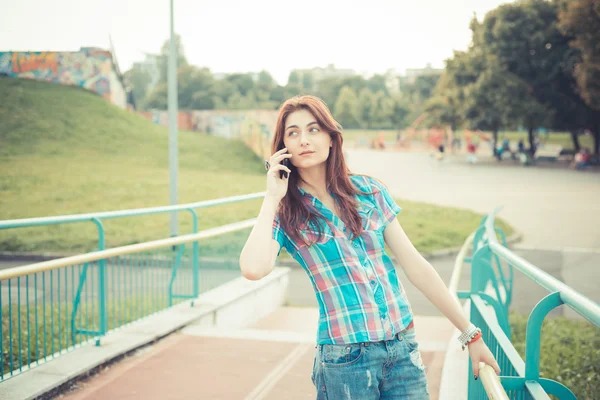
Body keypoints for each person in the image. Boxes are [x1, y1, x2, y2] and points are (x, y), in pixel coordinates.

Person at [239, 95, 500, 399]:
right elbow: (253, 268)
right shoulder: (286, 211)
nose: (304, 140)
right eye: (293, 133)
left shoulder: (369, 191)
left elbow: (416, 267)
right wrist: (271, 197)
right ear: (283, 148)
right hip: (345, 361)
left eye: (313, 129)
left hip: (402, 349)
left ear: (331, 138)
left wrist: (470, 334)